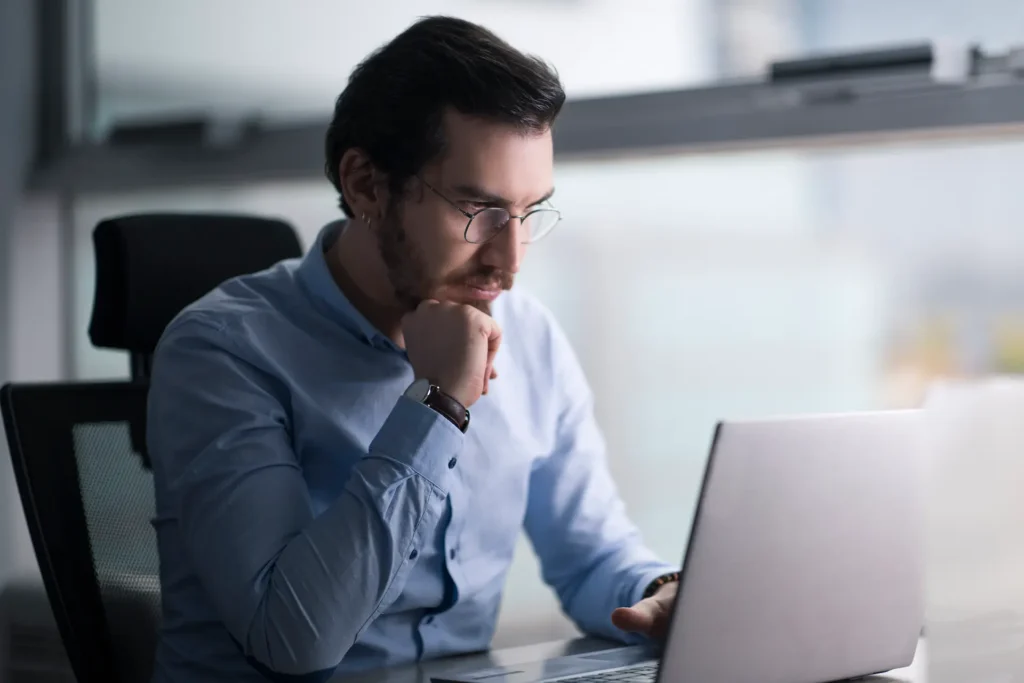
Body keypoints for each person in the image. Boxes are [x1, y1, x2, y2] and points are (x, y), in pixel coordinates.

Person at [147, 15, 678, 683]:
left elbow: (591, 552)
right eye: (477, 209)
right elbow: (291, 637)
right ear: (367, 185)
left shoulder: (532, 335)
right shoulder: (222, 350)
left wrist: (660, 589)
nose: (509, 261)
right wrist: (437, 401)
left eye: (528, 213)